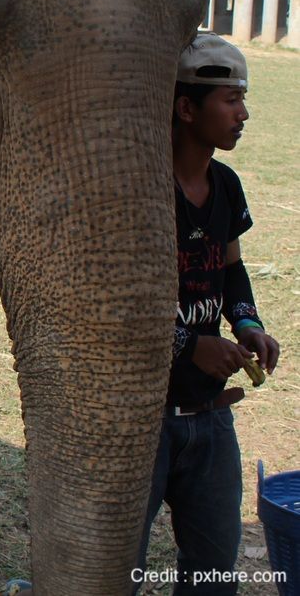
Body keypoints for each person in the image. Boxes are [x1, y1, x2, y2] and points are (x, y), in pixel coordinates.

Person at [135, 32, 280, 595]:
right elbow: (121, 301)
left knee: (214, 578)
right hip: (143, 420)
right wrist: (190, 343)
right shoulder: (140, 189)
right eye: (231, 100)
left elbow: (231, 270)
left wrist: (245, 323)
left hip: (211, 414)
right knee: (111, 571)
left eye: (242, 99)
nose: (243, 114)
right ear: (186, 107)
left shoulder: (226, 184)